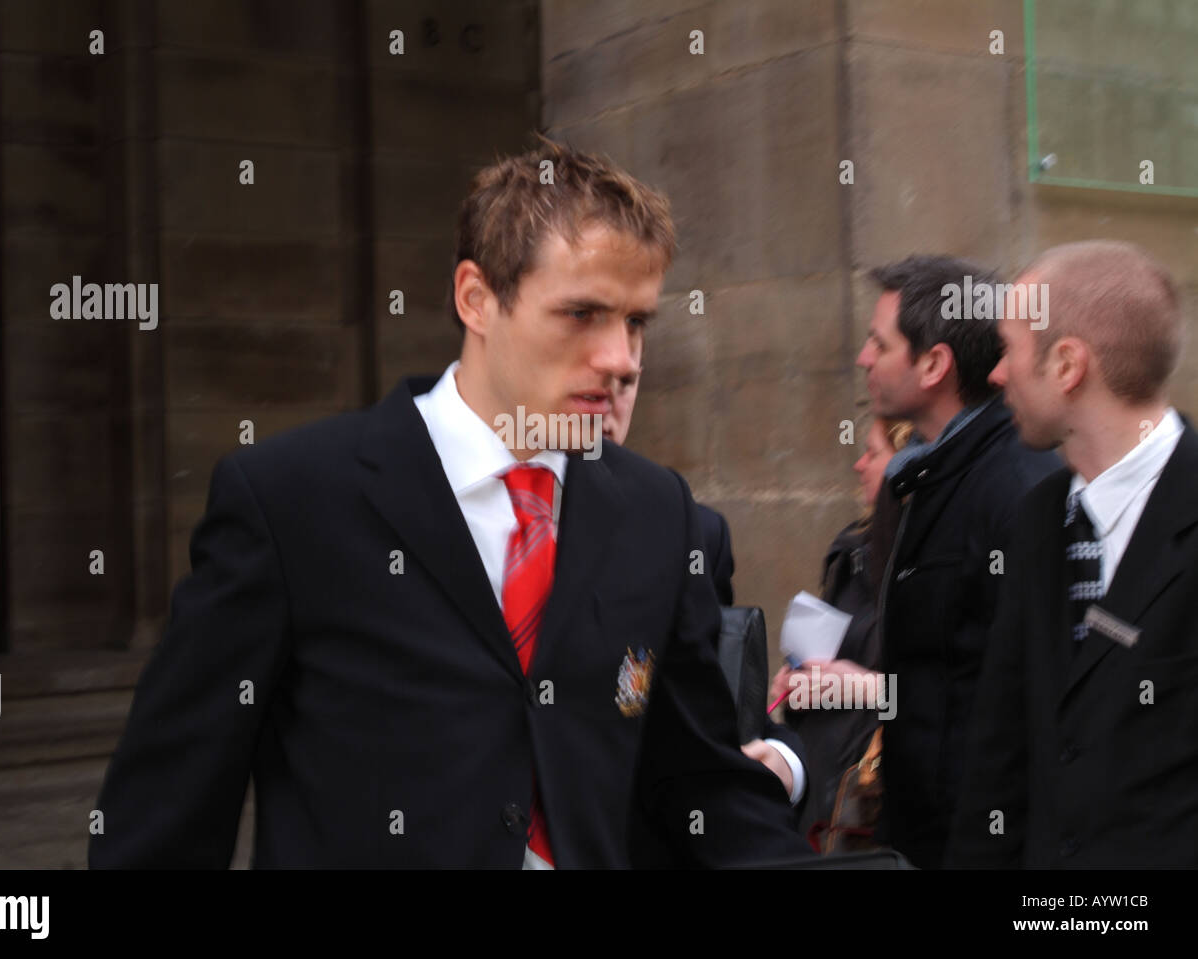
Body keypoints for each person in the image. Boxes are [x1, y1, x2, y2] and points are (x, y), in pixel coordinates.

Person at [90, 139, 812, 868]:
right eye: (582, 314)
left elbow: (701, 788)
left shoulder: (658, 513)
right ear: (477, 298)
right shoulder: (292, 501)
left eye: (635, 322)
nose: (621, 358)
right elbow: (164, 817)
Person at [949, 241, 1197, 868]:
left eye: (1008, 350)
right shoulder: (1039, 519)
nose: (996, 373)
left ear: (1067, 365)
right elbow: (1000, 758)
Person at [851, 255, 1060, 869]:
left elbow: (1032, 707)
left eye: (879, 342)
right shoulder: (927, 471)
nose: (864, 357)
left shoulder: (1017, 487)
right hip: (921, 831)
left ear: (934, 364)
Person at [601, 356, 805, 805]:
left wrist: (785, 762)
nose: (606, 401)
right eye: (592, 380)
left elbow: (708, 703)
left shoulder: (692, 532)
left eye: (626, 382)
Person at [768, 416, 911, 841]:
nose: (858, 464)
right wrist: (797, 683)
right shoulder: (852, 551)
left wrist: (867, 688)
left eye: (872, 453)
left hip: (877, 794)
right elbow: (830, 659)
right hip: (820, 789)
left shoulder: (931, 556)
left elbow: (959, 694)